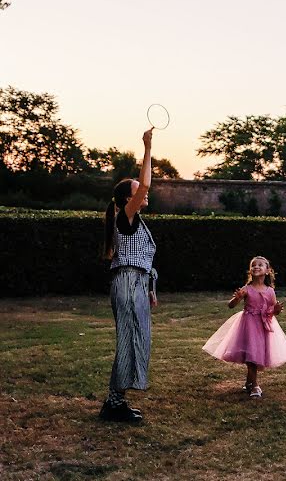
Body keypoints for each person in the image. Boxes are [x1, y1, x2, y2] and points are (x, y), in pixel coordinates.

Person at [99, 129, 157, 423]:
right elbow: (145, 183)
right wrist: (147, 148)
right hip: (126, 284)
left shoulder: (135, 221)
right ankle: (113, 403)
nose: (145, 193)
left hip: (134, 284)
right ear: (127, 199)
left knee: (136, 340)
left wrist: (149, 289)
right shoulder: (126, 215)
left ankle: (117, 401)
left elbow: (143, 262)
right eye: (138, 192)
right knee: (127, 341)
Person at [202, 256, 286, 397]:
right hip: (249, 324)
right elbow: (230, 305)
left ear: (268, 271)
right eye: (253, 265)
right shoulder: (247, 289)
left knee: (256, 354)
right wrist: (237, 298)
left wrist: (275, 311)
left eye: (260, 265)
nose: (256, 267)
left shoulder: (270, 291)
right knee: (251, 356)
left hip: (263, 325)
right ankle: (255, 386)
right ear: (250, 271)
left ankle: (249, 382)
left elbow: (271, 310)